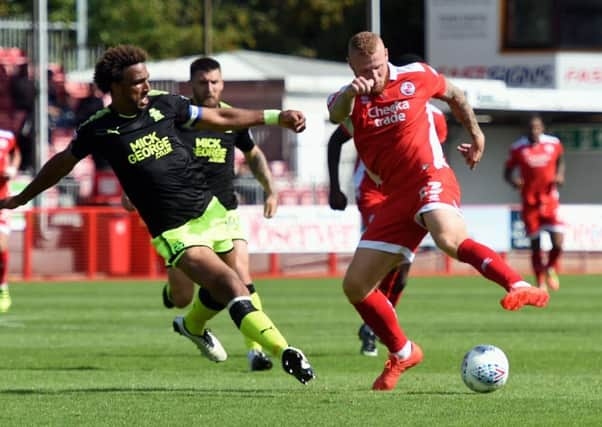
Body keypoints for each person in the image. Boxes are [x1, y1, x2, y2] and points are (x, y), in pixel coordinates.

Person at [0, 45, 314, 385]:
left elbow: (221, 118)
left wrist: (273, 117)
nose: (147, 87)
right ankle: (285, 351)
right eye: (138, 82)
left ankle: (196, 328)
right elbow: (61, 164)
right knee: (225, 285)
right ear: (116, 87)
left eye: (148, 79)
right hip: (175, 230)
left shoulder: (165, 104)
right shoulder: (99, 129)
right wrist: (21, 197)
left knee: (235, 283)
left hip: (212, 210)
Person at [327, 31, 549, 391]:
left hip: (431, 177)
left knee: (448, 238)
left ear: (387, 54)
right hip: (395, 198)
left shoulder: (416, 75)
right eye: (366, 70)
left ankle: (519, 284)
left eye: (379, 67)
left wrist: (477, 135)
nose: (375, 76)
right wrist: (354, 91)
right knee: (355, 286)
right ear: (351, 66)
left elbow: (455, 95)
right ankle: (402, 352)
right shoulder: (349, 98)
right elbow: (335, 113)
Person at [160, 56, 279, 371]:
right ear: (191, 85)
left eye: (215, 81)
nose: (209, 87)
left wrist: (270, 189)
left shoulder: (230, 118)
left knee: (242, 275)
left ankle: (257, 351)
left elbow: (253, 154)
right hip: (185, 218)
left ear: (222, 83)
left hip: (224, 211)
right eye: (203, 82)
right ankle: (174, 298)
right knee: (183, 297)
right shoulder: (178, 118)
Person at [327, 102, 447, 357]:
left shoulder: (436, 117)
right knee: (385, 260)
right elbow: (335, 140)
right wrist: (334, 187)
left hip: (407, 192)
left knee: (402, 270)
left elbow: (434, 157)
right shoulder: (378, 109)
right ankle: (375, 329)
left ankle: (373, 327)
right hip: (373, 192)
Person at [504, 114, 565, 291]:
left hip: (550, 200)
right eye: (531, 128)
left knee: (558, 242)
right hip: (530, 202)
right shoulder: (518, 148)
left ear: (542, 128)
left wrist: (560, 175)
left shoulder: (553, 143)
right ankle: (540, 281)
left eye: (537, 128)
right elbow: (507, 172)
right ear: (527, 130)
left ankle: (550, 267)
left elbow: (560, 161)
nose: (534, 131)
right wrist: (513, 181)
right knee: (536, 245)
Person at [0, 128, 22, 312]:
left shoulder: (6, 137)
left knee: (1, 246)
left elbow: (16, 152)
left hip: (1, 201)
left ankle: (2, 287)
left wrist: (13, 167)